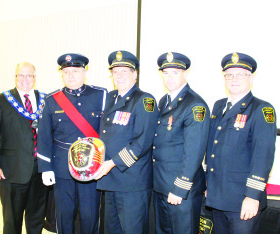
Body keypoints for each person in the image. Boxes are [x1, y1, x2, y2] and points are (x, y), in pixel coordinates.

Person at [205, 52, 277, 234]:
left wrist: (252, 197)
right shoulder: (219, 105)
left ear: (251, 78)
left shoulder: (262, 109)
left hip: (242, 201)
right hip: (218, 197)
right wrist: (209, 186)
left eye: (240, 75)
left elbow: (263, 157)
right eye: (229, 75)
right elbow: (213, 148)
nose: (233, 79)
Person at [37, 53, 107, 234]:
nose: (71, 76)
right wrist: (45, 167)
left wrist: (106, 163)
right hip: (62, 168)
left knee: (90, 215)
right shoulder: (52, 100)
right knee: (64, 215)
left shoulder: (101, 95)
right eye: (66, 72)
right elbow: (44, 136)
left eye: (75, 71)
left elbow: (107, 133)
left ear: (85, 72)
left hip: (92, 166)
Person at [95, 50, 159, 234]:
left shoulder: (145, 100)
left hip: (132, 183)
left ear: (135, 74)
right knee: (111, 230)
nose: (119, 75)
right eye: (115, 72)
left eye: (124, 71)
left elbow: (142, 144)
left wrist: (111, 163)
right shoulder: (110, 98)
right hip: (109, 180)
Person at [0, 62, 47, 234]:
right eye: (21, 75)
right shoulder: (1, 100)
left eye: (29, 75)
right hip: (11, 170)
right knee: (12, 220)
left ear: (35, 78)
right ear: (15, 77)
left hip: (39, 171)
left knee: (36, 218)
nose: (25, 79)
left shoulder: (45, 99)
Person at [152, 52, 210, 234]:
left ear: (185, 73)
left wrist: (180, 188)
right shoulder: (164, 101)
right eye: (166, 72)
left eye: (175, 73)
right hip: (161, 186)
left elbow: (194, 153)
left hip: (181, 190)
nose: (169, 77)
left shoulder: (195, 106)